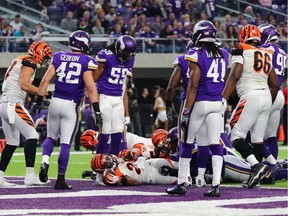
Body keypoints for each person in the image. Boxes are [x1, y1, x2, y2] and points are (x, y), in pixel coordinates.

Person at [166, 20, 229, 197]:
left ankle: (181, 182)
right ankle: (216, 185)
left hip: (200, 102)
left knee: (186, 142)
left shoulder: (195, 53)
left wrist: (186, 110)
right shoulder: (223, 53)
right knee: (215, 143)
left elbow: (193, 86)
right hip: (217, 103)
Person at [31, 30, 100, 190]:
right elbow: (90, 87)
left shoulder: (59, 56)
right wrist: (96, 109)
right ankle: (60, 179)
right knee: (65, 143)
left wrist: (38, 103)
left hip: (55, 102)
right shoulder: (86, 60)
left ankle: (45, 161)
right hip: (71, 105)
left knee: (50, 137)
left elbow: (44, 82)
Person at [222, 24, 279, 188]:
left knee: (236, 136)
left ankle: (256, 166)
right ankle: (258, 177)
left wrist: (223, 97)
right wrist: (267, 103)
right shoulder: (267, 52)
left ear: (243, 36)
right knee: (257, 140)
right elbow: (275, 84)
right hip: (266, 96)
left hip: (250, 95)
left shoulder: (241, 49)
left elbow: (235, 75)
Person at [0, 41, 52, 187]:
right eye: (45, 56)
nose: (45, 60)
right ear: (39, 53)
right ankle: (30, 176)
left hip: (5, 103)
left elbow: (21, 86)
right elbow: (24, 85)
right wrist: (45, 92)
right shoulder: (29, 61)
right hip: (12, 103)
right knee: (33, 135)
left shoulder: (20, 59)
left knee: (12, 142)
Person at [94, 35, 137, 156]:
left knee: (118, 136)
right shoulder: (106, 56)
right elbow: (93, 79)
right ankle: (97, 170)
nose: (127, 58)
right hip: (104, 97)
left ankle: (110, 166)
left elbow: (124, 88)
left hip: (118, 100)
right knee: (104, 134)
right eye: (125, 54)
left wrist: (126, 113)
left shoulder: (130, 61)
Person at [259, 24, 287, 159]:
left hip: (269, 92)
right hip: (279, 93)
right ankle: (273, 168)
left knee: (253, 136)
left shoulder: (266, 48)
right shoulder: (282, 51)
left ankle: (269, 164)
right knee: (271, 136)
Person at [91, 153, 177, 186]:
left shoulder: (114, 158)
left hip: (147, 163)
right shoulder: (110, 175)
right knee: (175, 181)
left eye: (106, 157)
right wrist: (121, 179)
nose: (108, 159)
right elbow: (136, 182)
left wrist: (131, 153)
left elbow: (129, 157)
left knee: (176, 164)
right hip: (149, 177)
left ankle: (189, 172)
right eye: (105, 162)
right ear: (102, 168)